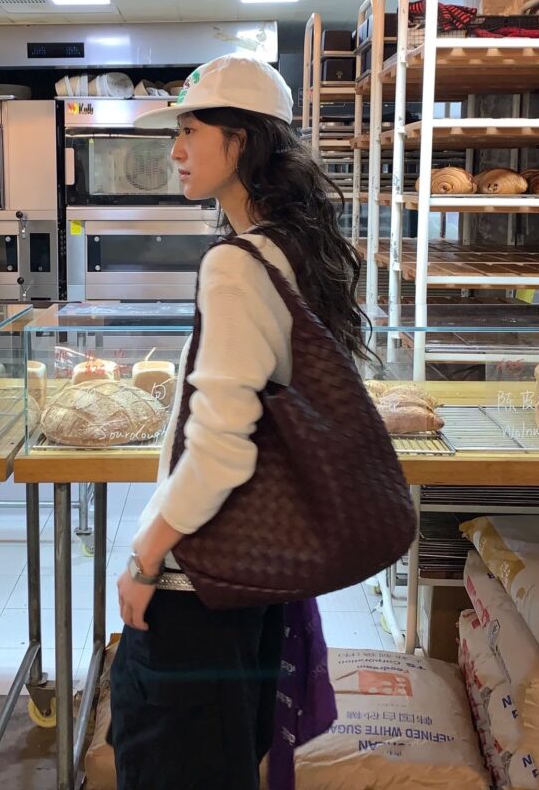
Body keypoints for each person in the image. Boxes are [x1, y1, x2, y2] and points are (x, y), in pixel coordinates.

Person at [109, 53, 370, 790]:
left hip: (197, 583)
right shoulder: (298, 248)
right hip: (254, 578)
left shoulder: (237, 263)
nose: (176, 150)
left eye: (191, 130)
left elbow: (221, 449)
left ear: (242, 140)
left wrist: (146, 560)